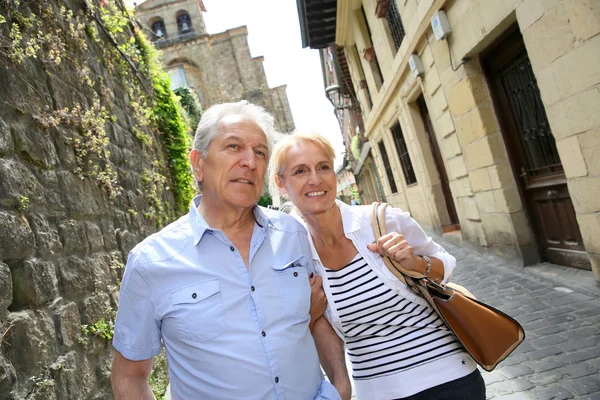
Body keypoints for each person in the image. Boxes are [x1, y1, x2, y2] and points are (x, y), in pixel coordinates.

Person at [111, 102, 351, 400]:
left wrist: (341, 387)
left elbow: (316, 319)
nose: (250, 161)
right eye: (234, 146)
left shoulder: (292, 234)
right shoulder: (151, 262)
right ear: (198, 163)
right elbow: (129, 376)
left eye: (261, 152)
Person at [270, 131, 486, 400]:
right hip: (378, 393)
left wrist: (415, 263)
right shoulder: (295, 256)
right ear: (281, 184)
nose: (315, 179)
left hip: (450, 380)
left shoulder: (380, 221)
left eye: (323, 167)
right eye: (300, 171)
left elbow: (445, 266)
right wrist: (341, 387)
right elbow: (320, 326)